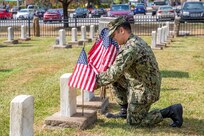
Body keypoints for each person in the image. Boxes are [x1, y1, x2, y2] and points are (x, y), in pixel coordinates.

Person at [96, 17, 183, 127]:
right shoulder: (133, 41)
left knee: (135, 123)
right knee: (116, 79)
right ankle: (125, 111)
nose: (113, 38)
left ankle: (170, 111)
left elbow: (112, 74)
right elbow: (116, 72)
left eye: (114, 35)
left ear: (121, 31)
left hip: (146, 89)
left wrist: (93, 82)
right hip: (140, 82)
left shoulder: (131, 48)